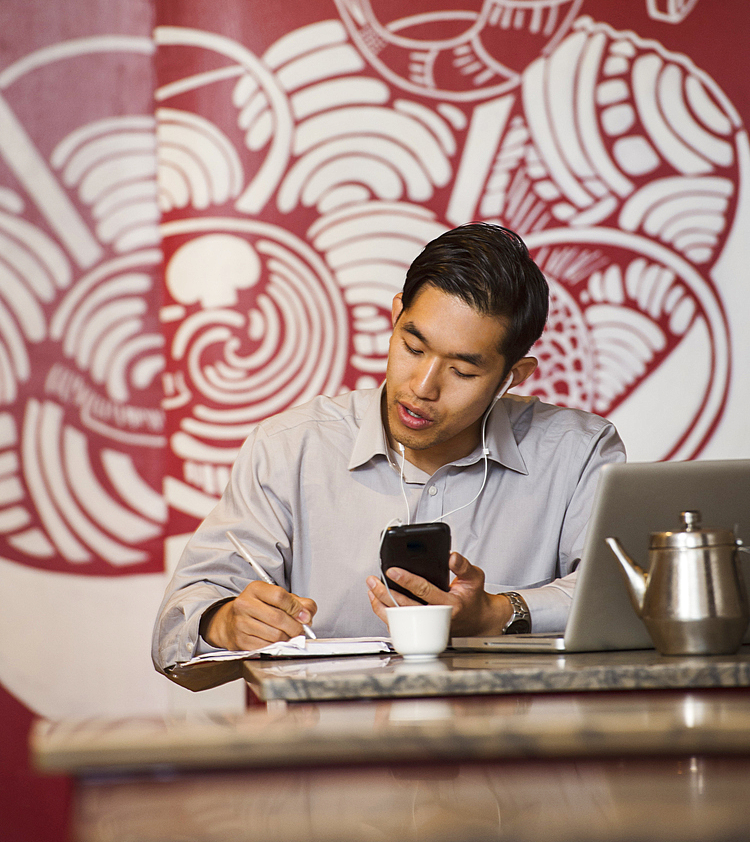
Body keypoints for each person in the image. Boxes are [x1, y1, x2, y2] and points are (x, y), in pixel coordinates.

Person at [153, 224, 625, 676]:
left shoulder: (577, 454)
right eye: (413, 347)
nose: (422, 387)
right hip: (332, 748)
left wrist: (500, 613)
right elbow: (177, 623)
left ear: (512, 377)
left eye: (462, 372)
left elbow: (622, 597)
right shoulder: (289, 449)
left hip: (513, 750)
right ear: (397, 314)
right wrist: (226, 621)